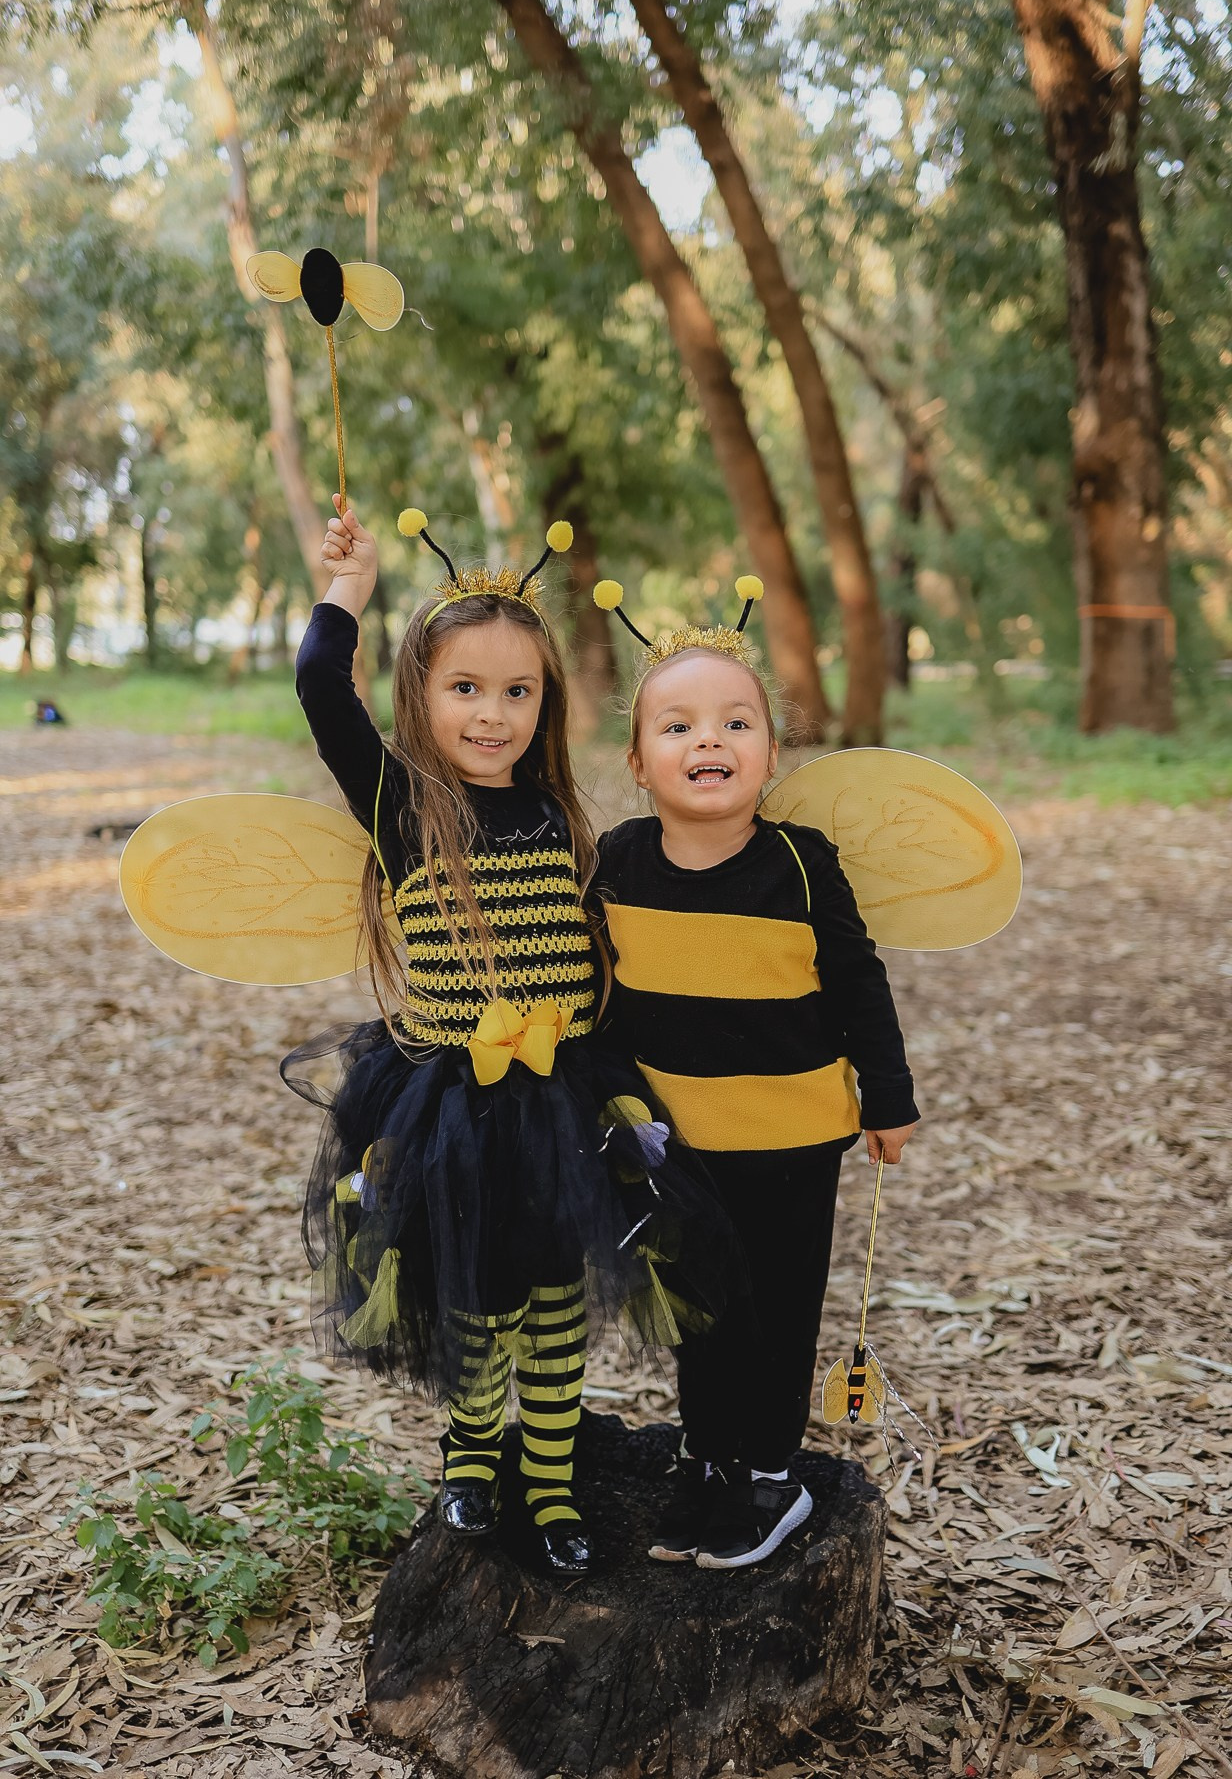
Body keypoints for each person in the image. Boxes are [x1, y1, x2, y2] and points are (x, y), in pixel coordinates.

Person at [285, 499, 726, 1576]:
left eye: (517, 691)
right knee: (473, 1290)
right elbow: (315, 686)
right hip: (452, 1107)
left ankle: (550, 1473)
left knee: (555, 1292)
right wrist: (346, 588)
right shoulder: (404, 804)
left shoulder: (561, 813)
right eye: (465, 689)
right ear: (419, 696)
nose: (492, 714)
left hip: (564, 1097)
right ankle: (472, 1458)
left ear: (546, 701)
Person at [593, 642, 919, 1570]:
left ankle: (771, 1474)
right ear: (638, 761)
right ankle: (706, 1453)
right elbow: (602, 997)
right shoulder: (619, 861)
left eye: (738, 722)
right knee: (699, 1306)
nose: (712, 740)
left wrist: (888, 1098)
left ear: (772, 756)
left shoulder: (802, 865)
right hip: (674, 1145)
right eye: (680, 724)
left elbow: (859, 986)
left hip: (791, 1138)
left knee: (775, 1306)